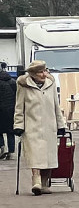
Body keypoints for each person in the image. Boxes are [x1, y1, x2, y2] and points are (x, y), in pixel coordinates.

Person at [13, 60, 67, 195]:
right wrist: (18, 125)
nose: (44, 74)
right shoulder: (23, 85)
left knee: (48, 157)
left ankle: (44, 182)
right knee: (35, 155)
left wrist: (61, 124)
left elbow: (56, 105)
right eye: (40, 72)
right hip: (32, 126)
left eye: (45, 71)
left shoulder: (51, 83)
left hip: (49, 126)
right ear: (32, 74)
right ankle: (36, 180)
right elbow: (19, 107)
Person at [0, 62, 16, 159]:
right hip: (11, 110)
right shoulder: (13, 82)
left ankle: (2, 147)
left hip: (0, 110)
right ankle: (11, 151)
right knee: (10, 131)